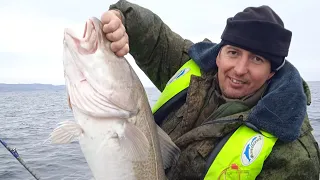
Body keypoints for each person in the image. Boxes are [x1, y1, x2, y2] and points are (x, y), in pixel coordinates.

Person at [100, 0, 320, 179]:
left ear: (271, 72)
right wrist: (121, 20)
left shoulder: (293, 154)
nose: (240, 69)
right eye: (233, 53)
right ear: (219, 54)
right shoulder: (194, 67)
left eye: (257, 59)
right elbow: (154, 36)